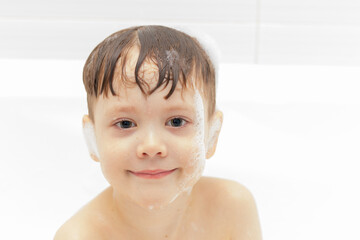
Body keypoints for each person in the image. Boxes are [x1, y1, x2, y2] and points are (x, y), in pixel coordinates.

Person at [54, 25, 262, 240]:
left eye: (176, 121)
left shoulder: (232, 208)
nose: (151, 146)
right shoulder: (80, 236)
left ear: (212, 135)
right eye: (125, 123)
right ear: (92, 138)